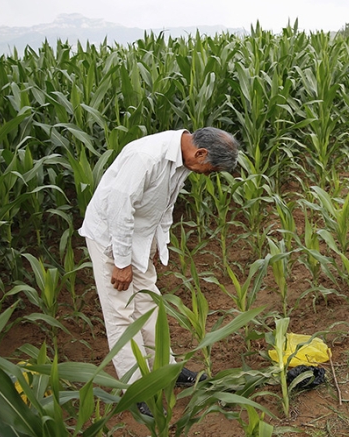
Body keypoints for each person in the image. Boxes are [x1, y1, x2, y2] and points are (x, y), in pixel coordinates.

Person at [79, 127, 239, 417]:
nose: (206, 175)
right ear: (201, 153)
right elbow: (118, 209)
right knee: (121, 314)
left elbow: (164, 204)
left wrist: (155, 244)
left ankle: (166, 370)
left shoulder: (183, 159)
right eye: (210, 170)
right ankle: (136, 388)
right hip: (111, 240)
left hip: (139, 237)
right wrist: (122, 262)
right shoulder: (145, 157)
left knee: (149, 303)